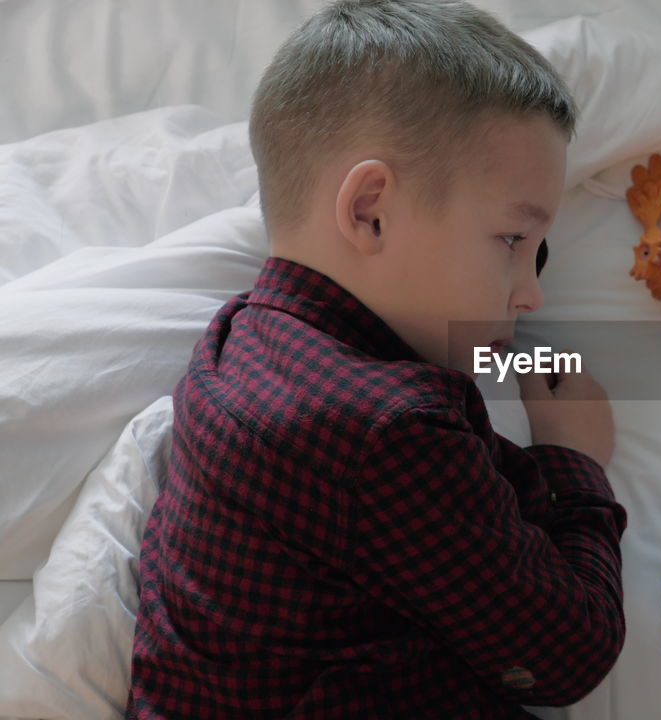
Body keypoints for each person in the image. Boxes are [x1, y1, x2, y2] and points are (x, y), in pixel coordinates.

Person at [127, 1, 626, 717]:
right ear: (369, 211)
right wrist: (577, 461)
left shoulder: (237, 336)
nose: (533, 295)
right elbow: (566, 656)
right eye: (514, 241)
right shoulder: (388, 431)